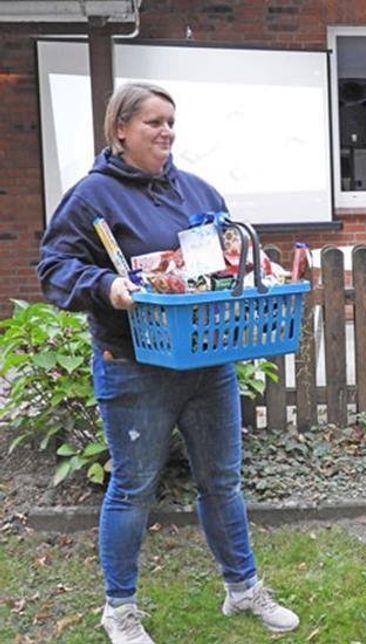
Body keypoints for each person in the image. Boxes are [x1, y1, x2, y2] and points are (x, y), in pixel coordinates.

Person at [36, 82, 299, 643]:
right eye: (153, 122)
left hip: (207, 359)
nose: (166, 131)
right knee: (133, 487)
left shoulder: (196, 189)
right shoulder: (91, 197)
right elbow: (53, 269)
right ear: (121, 130)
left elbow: (230, 258)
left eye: (171, 122)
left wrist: (257, 273)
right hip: (134, 363)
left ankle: (243, 588)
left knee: (222, 482)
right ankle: (120, 610)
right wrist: (105, 285)